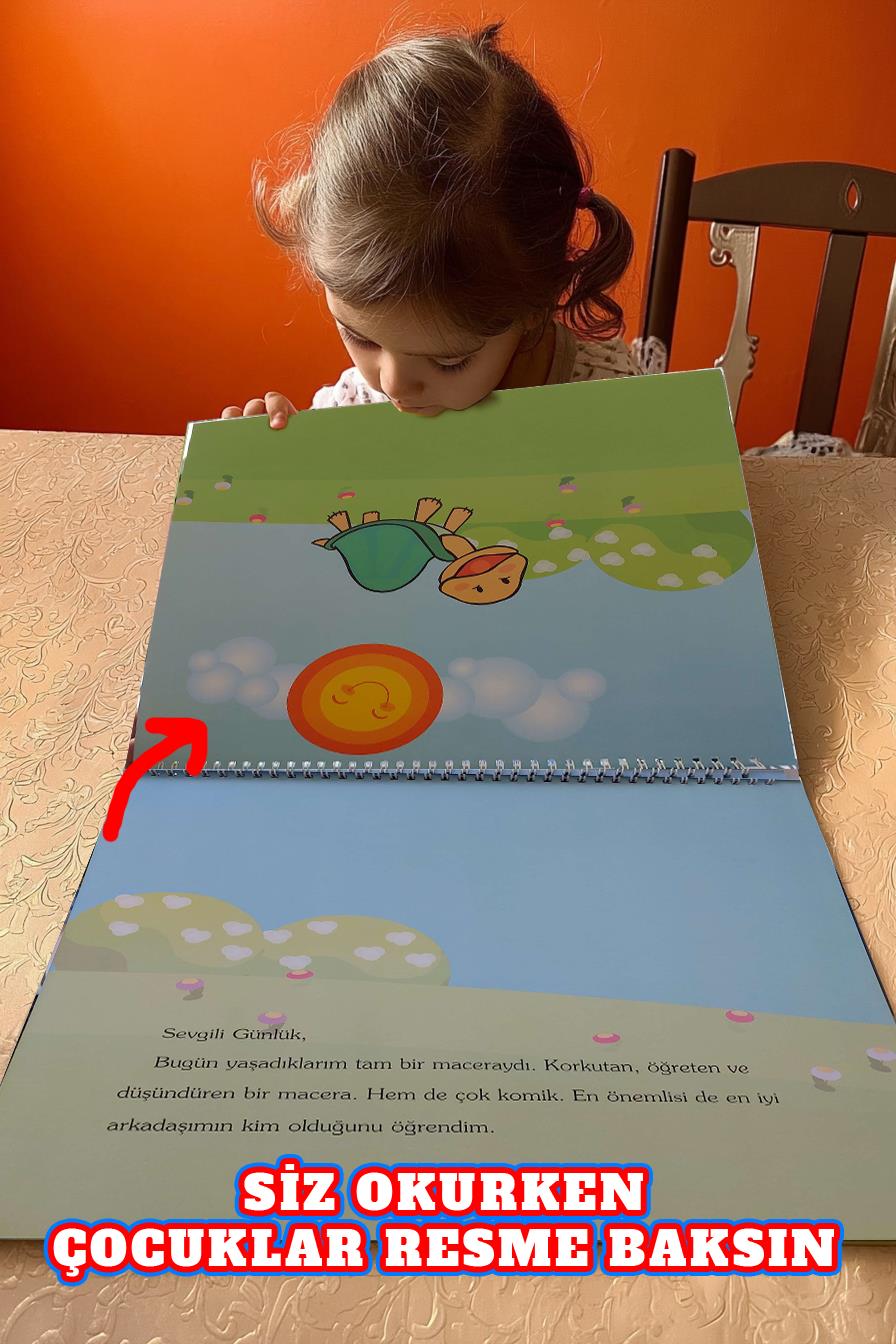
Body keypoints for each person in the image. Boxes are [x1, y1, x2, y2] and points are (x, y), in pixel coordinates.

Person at [222, 20, 641, 429]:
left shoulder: (610, 397)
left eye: (449, 361)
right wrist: (275, 458)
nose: (392, 385)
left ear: (535, 306)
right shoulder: (353, 407)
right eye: (360, 337)